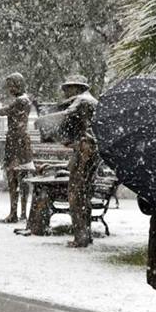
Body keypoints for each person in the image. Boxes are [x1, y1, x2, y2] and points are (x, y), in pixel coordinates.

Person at [57, 74, 99, 248]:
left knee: (75, 194)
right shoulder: (92, 101)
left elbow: (64, 115)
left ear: (78, 87)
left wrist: (46, 121)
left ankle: (80, 237)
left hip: (84, 151)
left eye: (68, 88)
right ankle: (86, 234)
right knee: (85, 194)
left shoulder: (81, 100)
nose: (65, 91)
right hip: (91, 150)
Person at [0, 72, 34, 222]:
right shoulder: (25, 100)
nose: (9, 88)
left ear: (18, 85)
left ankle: (14, 212)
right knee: (21, 177)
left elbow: (3, 112)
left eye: (11, 85)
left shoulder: (20, 101)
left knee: (14, 177)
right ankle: (21, 212)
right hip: (21, 141)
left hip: (16, 142)